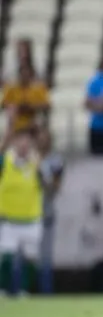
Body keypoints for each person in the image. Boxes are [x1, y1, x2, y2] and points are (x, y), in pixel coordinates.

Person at [0, 129, 44, 296]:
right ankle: (3, 290)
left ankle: (24, 291)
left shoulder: (36, 164)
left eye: (27, 141)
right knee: (7, 257)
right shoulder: (5, 161)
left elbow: (48, 186)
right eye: (20, 140)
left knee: (30, 258)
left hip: (31, 218)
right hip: (9, 219)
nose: (23, 144)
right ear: (14, 142)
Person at [36, 127, 63, 294]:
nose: (43, 142)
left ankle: (45, 292)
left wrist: (43, 173)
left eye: (46, 138)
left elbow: (55, 187)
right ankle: (16, 290)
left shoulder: (55, 161)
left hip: (46, 212)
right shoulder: (28, 157)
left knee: (45, 256)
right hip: (22, 212)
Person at [2, 57, 50, 139]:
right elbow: (3, 104)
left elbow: (47, 105)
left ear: (30, 74)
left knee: (41, 131)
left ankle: (41, 148)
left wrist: (32, 107)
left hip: (33, 124)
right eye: (23, 74)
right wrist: (16, 106)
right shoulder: (11, 89)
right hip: (16, 125)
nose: (25, 76)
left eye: (27, 74)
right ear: (19, 74)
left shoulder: (37, 89)